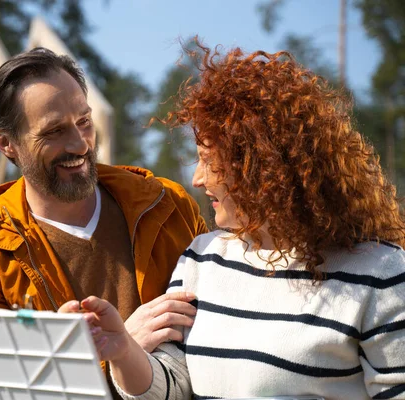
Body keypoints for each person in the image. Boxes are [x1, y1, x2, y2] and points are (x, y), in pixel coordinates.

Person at [74, 44, 405, 400]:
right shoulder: (202, 258)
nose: (197, 179)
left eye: (207, 160)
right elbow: (171, 386)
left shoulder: (379, 273)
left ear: (261, 166)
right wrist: (122, 349)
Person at [0, 48, 208, 358]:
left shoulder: (169, 208)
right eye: (54, 131)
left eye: (84, 121)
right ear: (6, 142)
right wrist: (121, 348)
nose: (80, 144)